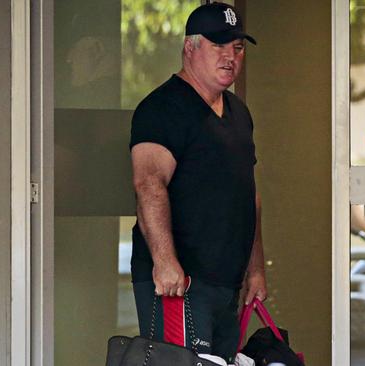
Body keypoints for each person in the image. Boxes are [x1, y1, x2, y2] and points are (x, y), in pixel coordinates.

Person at [129, 3, 266, 363]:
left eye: (237, 47)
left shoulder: (239, 112)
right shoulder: (162, 108)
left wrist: (255, 269)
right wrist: (165, 261)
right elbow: (148, 184)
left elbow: (248, 195)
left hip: (228, 282)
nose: (230, 57)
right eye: (218, 45)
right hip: (180, 284)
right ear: (190, 48)